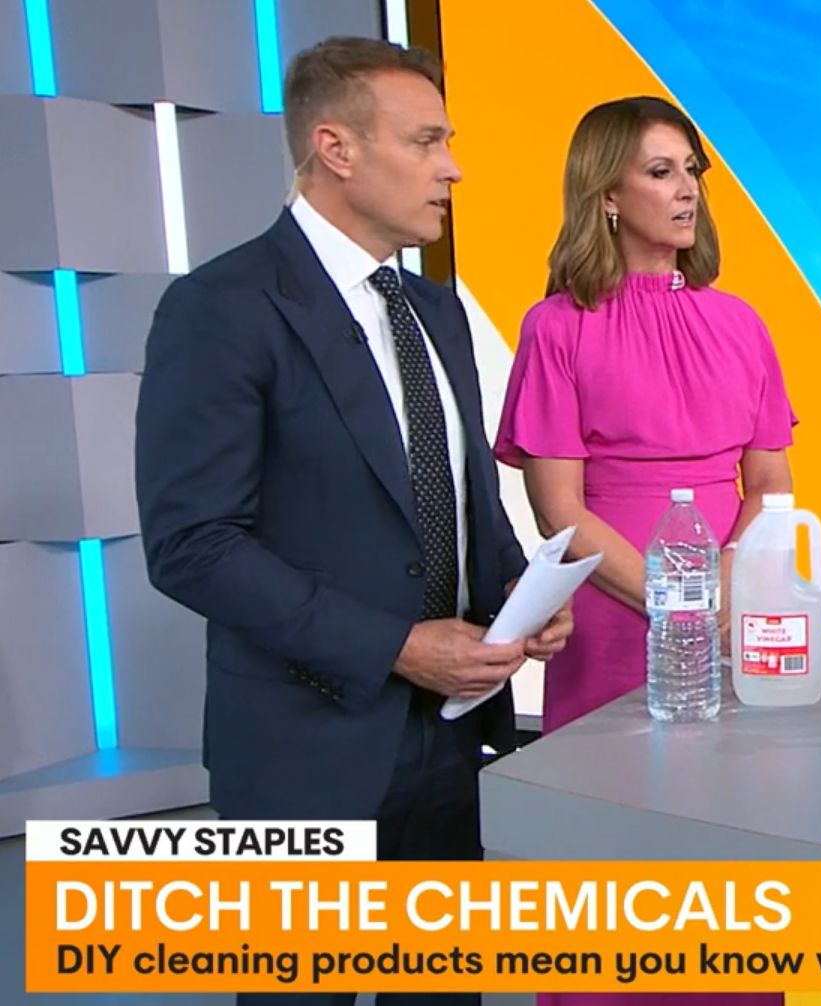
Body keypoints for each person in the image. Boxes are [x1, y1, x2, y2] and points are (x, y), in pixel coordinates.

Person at [134, 37, 571, 1006]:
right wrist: (396, 647)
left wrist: (515, 590)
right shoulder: (221, 307)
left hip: (449, 743)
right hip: (303, 754)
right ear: (336, 148)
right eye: (426, 141)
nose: (453, 168)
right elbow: (192, 543)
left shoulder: (434, 310)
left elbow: (455, 492)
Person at [495, 96, 798, 735]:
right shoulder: (556, 327)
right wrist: (674, 603)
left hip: (731, 607)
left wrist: (726, 585)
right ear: (608, 193)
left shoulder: (741, 323)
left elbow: (770, 485)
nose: (688, 190)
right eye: (661, 173)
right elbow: (558, 509)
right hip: (612, 610)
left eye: (692, 171)